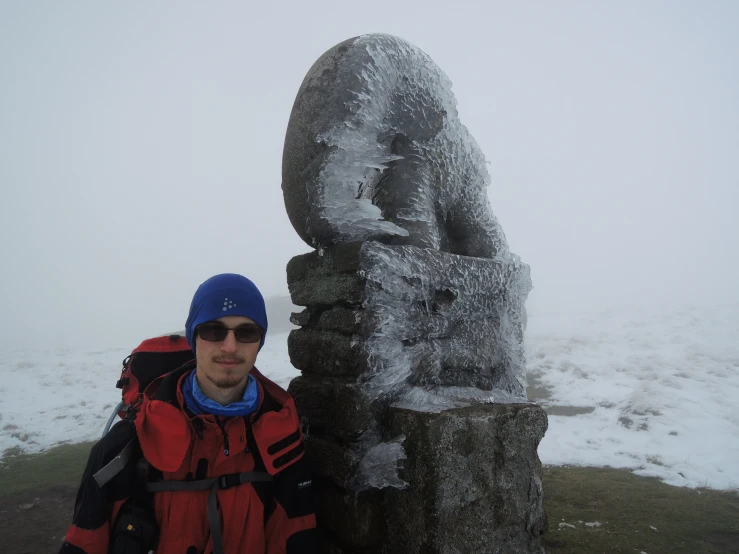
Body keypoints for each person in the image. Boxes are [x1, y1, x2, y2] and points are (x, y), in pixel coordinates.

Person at [60, 273, 317, 554]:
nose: (230, 346)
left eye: (246, 332)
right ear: (193, 337)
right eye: (213, 330)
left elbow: (295, 538)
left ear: (260, 341)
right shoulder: (123, 451)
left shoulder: (283, 443)